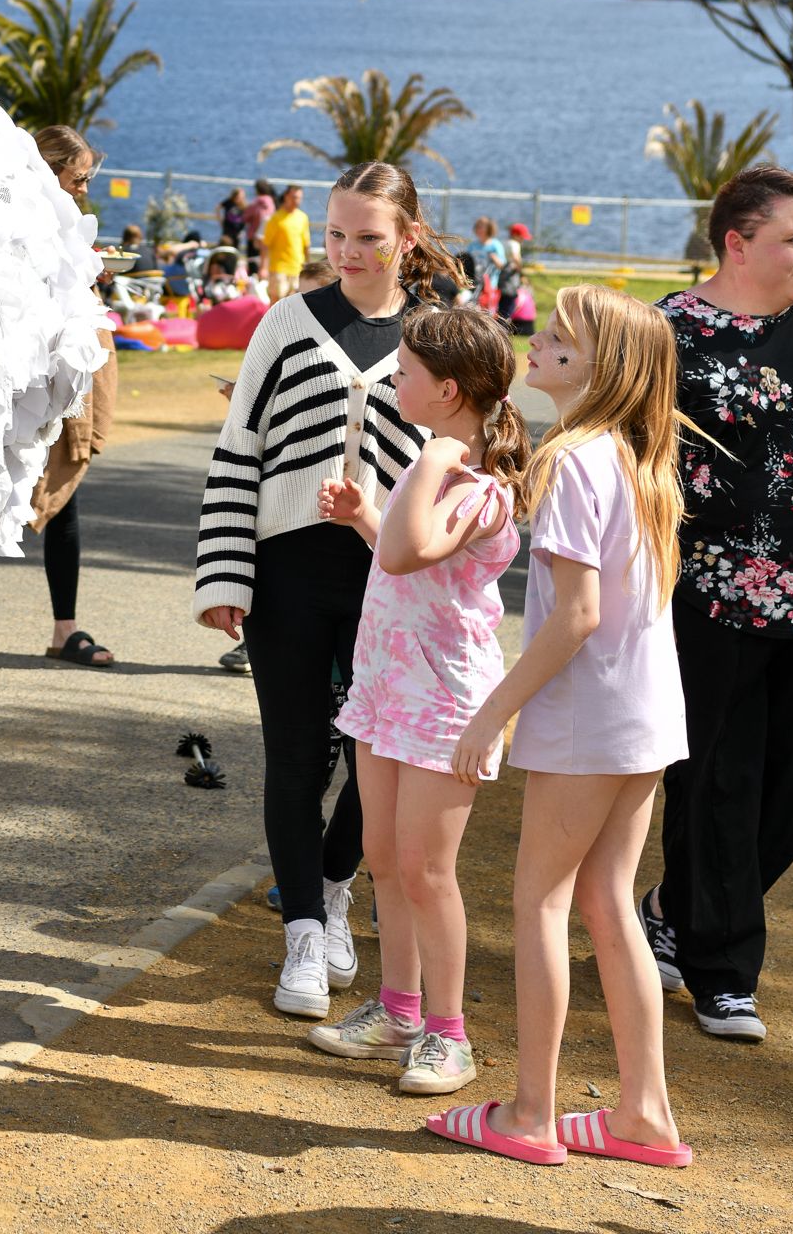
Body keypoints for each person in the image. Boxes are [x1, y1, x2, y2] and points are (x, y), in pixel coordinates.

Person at [426, 286, 692, 1169]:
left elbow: (574, 616)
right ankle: (642, 1113)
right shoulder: (635, 458)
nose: (538, 346)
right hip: (645, 718)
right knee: (608, 904)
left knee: (541, 900)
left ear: (601, 369)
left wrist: (491, 712)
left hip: (592, 716)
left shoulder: (576, 459)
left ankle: (531, 1113)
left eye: (562, 342)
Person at [195, 160, 462, 1020]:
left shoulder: (442, 334)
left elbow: (463, 463)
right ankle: (304, 932)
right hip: (287, 571)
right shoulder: (284, 321)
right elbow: (239, 451)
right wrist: (224, 573)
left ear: (408, 240)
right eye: (336, 235)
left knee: (372, 758)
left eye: (368, 237)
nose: (347, 251)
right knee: (296, 752)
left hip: (394, 574)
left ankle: (339, 883)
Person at [308, 306, 527, 1098]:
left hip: (443, 702)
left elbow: (409, 554)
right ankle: (398, 1011)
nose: (394, 380)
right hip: (388, 688)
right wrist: (366, 515)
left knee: (429, 871)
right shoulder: (433, 470)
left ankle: (449, 1034)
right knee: (387, 859)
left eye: (404, 373)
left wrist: (433, 458)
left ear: (448, 391)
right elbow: (401, 555)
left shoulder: (476, 486)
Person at [640, 166, 793, 1044]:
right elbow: (627, 456)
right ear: (738, 243)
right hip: (708, 597)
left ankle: (677, 908)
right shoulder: (666, 333)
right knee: (720, 776)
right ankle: (722, 973)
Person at [19, 125, 119, 667]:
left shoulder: (65, 224)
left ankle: (65, 629)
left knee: (65, 497)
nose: (82, 189)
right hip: (18, 381)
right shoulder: (14, 219)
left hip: (62, 382)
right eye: (76, 178)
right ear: (47, 170)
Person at [262, 184, 311, 301]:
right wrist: (263, 267)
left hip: (297, 268)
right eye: (294, 197)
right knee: (276, 304)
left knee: (293, 305)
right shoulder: (275, 218)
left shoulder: (303, 217)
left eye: (299, 198)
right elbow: (265, 244)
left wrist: (308, 265)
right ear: (286, 197)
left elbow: (306, 244)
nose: (297, 201)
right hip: (279, 268)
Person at [242, 179, 277, 264]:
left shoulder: (257, 202)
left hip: (254, 237)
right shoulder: (271, 202)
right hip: (267, 237)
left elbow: (246, 217)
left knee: (253, 262)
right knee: (264, 261)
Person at [219, 186, 249, 254]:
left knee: (236, 249)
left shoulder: (244, 205)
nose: (240, 198)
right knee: (225, 247)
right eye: (239, 196)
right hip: (227, 229)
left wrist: (243, 231)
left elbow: (246, 219)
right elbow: (218, 208)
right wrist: (220, 220)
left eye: (242, 197)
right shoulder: (229, 202)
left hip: (238, 230)